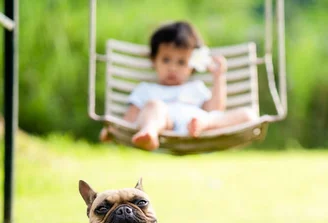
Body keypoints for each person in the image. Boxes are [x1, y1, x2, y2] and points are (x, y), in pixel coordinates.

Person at [100, 21, 257, 151]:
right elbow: (130, 118)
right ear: (154, 61)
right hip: (166, 125)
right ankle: (150, 134)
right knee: (154, 106)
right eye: (166, 60)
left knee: (248, 115)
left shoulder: (196, 88)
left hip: (198, 124)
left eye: (181, 62)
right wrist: (113, 130)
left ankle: (202, 125)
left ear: (192, 65)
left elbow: (215, 109)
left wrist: (218, 77)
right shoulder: (146, 89)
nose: (173, 68)